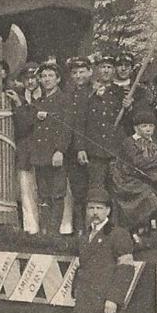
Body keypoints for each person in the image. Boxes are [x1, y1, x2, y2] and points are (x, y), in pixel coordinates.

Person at [28, 61, 72, 233]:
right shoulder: (39, 101)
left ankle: (54, 234)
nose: (47, 79)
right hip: (40, 155)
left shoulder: (64, 100)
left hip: (56, 155)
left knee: (57, 194)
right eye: (44, 76)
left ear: (58, 79)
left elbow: (67, 127)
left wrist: (60, 150)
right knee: (43, 195)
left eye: (50, 76)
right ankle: (45, 232)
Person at [110, 109, 157, 232]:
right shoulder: (129, 142)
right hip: (127, 180)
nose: (148, 129)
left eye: (151, 126)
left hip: (145, 177)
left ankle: (154, 228)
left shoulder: (154, 144)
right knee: (149, 194)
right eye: (144, 126)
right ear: (136, 128)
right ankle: (142, 226)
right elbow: (139, 163)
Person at [77, 54, 127, 191]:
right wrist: (80, 148)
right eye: (103, 67)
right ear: (97, 70)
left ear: (114, 70)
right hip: (94, 151)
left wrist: (129, 108)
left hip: (115, 151)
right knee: (95, 189)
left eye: (109, 67)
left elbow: (128, 123)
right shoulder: (87, 92)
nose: (106, 70)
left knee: (117, 189)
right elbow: (80, 122)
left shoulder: (121, 93)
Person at [9, 62, 41, 233]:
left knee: (44, 191)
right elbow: (21, 126)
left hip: (43, 151)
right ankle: (31, 228)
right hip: (25, 151)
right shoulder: (18, 98)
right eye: (27, 78)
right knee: (26, 191)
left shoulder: (44, 97)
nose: (30, 82)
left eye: (34, 78)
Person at [65, 56, 94, 232]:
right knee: (77, 192)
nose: (78, 76)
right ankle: (80, 229)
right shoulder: (69, 94)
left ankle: (94, 228)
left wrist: (82, 147)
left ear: (90, 72)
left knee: (93, 191)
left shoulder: (95, 92)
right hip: (72, 150)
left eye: (82, 72)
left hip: (90, 149)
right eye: (74, 73)